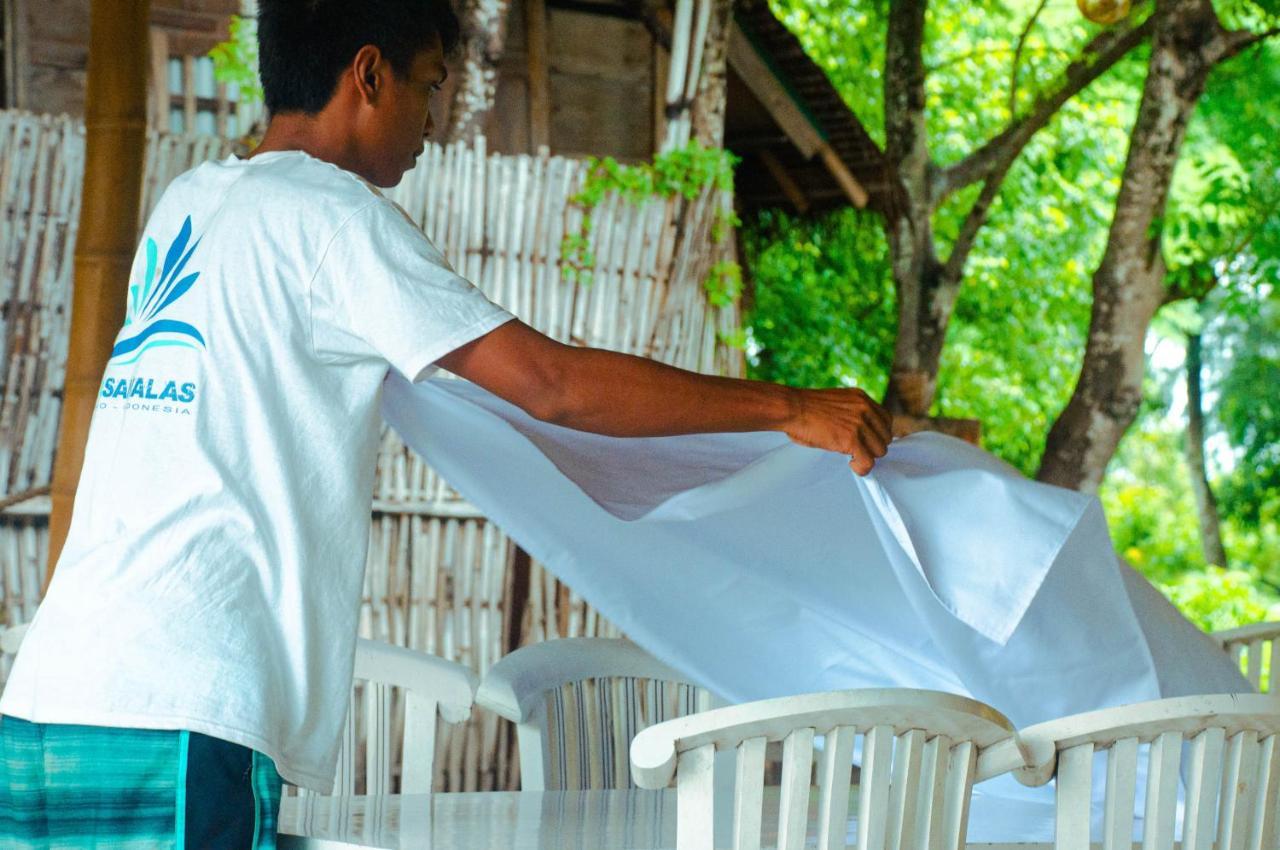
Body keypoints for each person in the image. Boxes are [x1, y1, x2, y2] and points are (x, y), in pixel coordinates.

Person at [0, 0, 891, 845]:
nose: (433, 118)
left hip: (49, 696)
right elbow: (552, 386)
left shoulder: (193, 201)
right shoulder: (333, 220)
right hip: (181, 708)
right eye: (430, 85)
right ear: (369, 74)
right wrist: (790, 407)